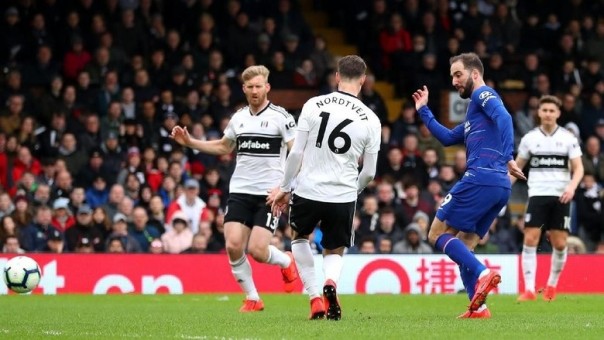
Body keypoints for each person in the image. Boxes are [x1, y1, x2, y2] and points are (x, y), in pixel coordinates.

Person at [171, 65, 298, 312]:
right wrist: (189, 142)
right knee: (232, 245)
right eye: (249, 87)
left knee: (258, 251)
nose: (254, 90)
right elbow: (223, 146)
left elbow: (297, 153)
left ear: (267, 88)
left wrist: (286, 188)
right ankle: (253, 298)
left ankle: (285, 260)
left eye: (258, 86)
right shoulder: (238, 117)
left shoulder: (282, 117)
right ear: (243, 89)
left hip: (269, 194)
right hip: (240, 190)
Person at [411, 52, 526, 319]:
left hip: (481, 178)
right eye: (452, 75)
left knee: (435, 234)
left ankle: (484, 273)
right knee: (465, 244)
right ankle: (479, 308)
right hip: (499, 187)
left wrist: (508, 156)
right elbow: (449, 138)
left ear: (475, 74)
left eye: (458, 74)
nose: (454, 80)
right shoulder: (477, 115)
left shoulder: (482, 95)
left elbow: (506, 119)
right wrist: (424, 111)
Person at [269, 55, 381, 320]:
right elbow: (370, 172)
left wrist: (285, 187)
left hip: (308, 189)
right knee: (335, 249)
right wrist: (352, 192)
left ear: (337, 77)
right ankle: (330, 281)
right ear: (363, 81)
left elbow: (296, 154)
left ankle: (314, 298)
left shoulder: (313, 104)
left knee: (298, 237)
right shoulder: (371, 119)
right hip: (342, 194)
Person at [513, 95, 584, 302]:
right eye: (544, 110)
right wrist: (502, 188)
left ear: (558, 113)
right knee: (530, 239)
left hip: (561, 195)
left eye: (552, 111)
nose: (548, 114)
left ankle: (552, 286)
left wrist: (571, 187)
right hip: (537, 194)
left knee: (560, 243)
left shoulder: (568, 138)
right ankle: (529, 289)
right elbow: (517, 168)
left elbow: (579, 168)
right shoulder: (529, 138)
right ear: (539, 112)